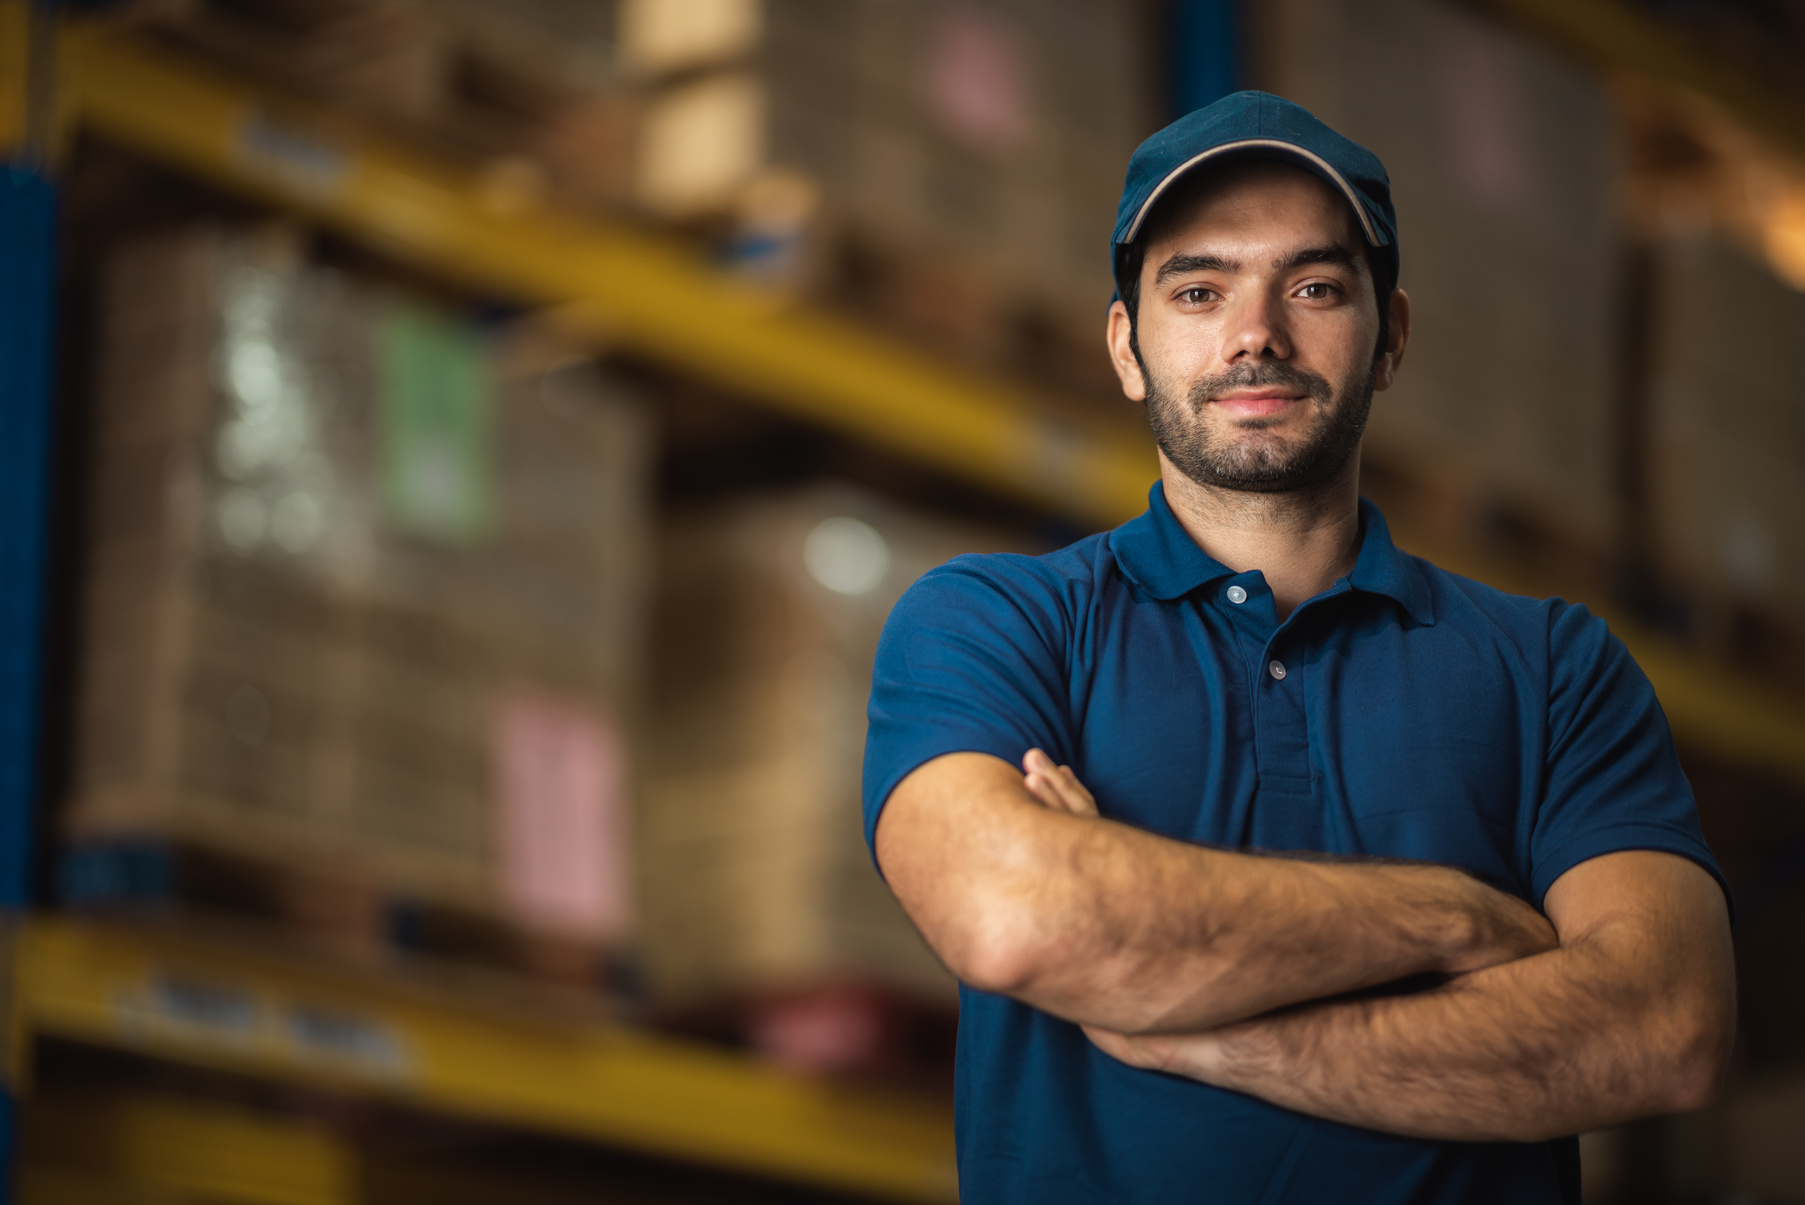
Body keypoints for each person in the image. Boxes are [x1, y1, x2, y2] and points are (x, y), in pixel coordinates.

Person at [861, 91, 1735, 1204]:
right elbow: (1015, 914)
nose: (1254, 334)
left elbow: (1665, 1027)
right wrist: (1453, 915)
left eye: (1314, 286)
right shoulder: (999, 620)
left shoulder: (1555, 667)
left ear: (1392, 339)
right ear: (1127, 347)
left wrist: (1175, 1028)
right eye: (1197, 289)